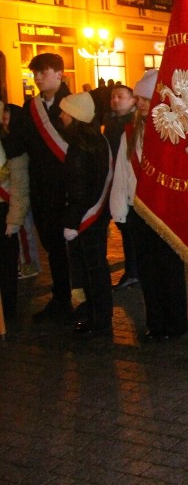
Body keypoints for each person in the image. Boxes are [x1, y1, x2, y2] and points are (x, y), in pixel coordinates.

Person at [110, 70, 188, 341]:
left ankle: (176, 324)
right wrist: (119, 208)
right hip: (139, 211)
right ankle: (155, 323)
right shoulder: (130, 132)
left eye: (146, 98)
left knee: (169, 270)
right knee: (147, 271)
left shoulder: (173, 131)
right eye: (139, 98)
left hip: (166, 212)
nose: (140, 103)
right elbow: (122, 171)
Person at [3, 53, 74, 322]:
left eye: (43, 72)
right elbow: (20, 144)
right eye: (35, 73)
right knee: (53, 248)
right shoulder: (31, 108)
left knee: (71, 250)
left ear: (59, 73)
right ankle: (61, 298)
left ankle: (79, 298)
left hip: (67, 190)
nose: (38, 78)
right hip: (42, 192)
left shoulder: (74, 104)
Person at [58, 92, 113, 337]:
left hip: (86, 218)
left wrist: (72, 222)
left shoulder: (79, 146)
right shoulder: (97, 140)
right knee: (98, 269)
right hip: (96, 216)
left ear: (76, 116)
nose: (61, 116)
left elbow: (79, 187)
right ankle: (100, 316)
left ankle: (97, 320)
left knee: (92, 271)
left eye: (65, 112)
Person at [103, 84, 139, 290]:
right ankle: (132, 270)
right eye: (113, 97)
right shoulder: (111, 123)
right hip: (114, 180)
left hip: (128, 182)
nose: (115, 100)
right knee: (125, 230)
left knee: (131, 231)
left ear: (132, 100)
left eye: (120, 96)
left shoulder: (133, 124)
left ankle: (135, 271)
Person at [0, 100, 29, 322]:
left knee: (6, 266)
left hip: (5, 211)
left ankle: (8, 311)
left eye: (6, 116)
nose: (4, 121)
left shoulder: (15, 145)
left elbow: (19, 186)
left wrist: (14, 219)